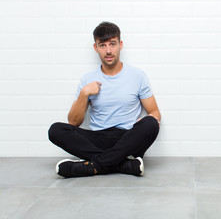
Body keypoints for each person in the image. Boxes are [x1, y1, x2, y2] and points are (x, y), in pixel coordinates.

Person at [48, 22, 161, 178]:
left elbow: (154, 112)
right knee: (56, 130)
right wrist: (84, 94)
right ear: (95, 48)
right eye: (102, 45)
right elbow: (73, 122)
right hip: (97, 139)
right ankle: (124, 165)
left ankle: (93, 165)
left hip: (128, 139)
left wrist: (148, 119)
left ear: (120, 45)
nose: (108, 51)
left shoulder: (138, 76)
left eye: (112, 44)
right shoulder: (88, 79)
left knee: (151, 123)